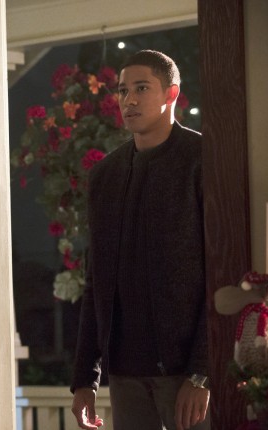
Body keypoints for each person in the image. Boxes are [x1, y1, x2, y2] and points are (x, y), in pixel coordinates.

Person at [70, 50, 209, 430]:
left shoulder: (203, 159)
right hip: (124, 372)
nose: (129, 100)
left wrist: (202, 373)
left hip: (185, 373)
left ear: (171, 93)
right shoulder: (106, 174)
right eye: (123, 90)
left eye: (142, 88)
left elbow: (221, 271)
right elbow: (97, 280)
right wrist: (84, 379)